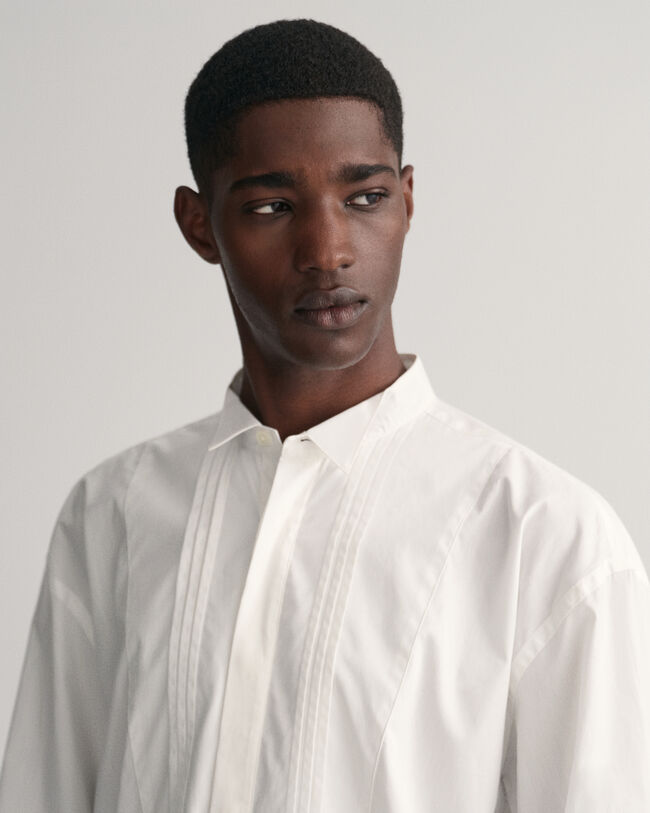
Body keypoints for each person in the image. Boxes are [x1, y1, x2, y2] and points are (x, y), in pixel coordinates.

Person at [1, 18, 648, 813]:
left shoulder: (546, 538)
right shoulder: (113, 516)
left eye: (366, 197)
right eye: (273, 205)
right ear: (200, 224)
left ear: (407, 201)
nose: (328, 249)